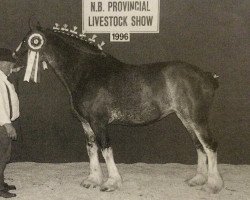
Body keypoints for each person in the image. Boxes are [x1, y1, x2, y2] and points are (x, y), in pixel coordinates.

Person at [0, 48, 20, 198]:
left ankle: (1, 182)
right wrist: (7, 124)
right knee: (2, 156)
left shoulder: (3, 78)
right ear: (3, 64)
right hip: (2, 125)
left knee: (4, 155)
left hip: (3, 124)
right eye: (10, 65)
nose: (11, 68)